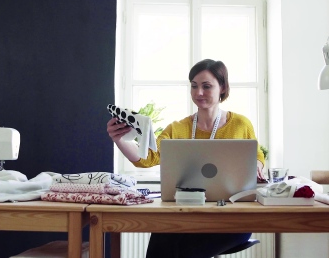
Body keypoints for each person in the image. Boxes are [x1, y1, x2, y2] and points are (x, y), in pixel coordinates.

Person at [106, 59, 266, 258]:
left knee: (178, 250)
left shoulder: (241, 124)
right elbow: (148, 158)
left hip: (232, 216)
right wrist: (119, 139)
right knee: (163, 236)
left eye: (206, 86)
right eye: (194, 86)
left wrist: (257, 166)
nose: (199, 93)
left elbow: (257, 155)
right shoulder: (178, 128)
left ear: (223, 87)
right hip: (188, 213)